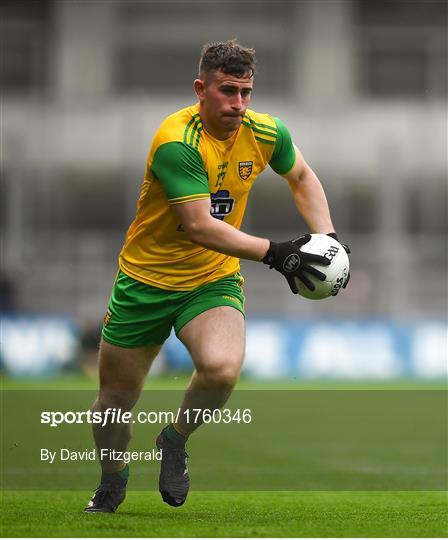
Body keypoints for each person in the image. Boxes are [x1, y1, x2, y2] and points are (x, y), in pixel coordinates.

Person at [84, 40, 350, 513]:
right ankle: (112, 479)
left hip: (211, 281)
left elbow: (303, 177)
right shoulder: (177, 141)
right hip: (145, 281)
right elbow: (200, 226)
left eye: (247, 92)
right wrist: (278, 253)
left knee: (223, 370)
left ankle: (174, 440)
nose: (239, 104)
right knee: (112, 404)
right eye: (228, 91)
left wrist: (326, 237)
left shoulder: (266, 132)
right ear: (200, 88)